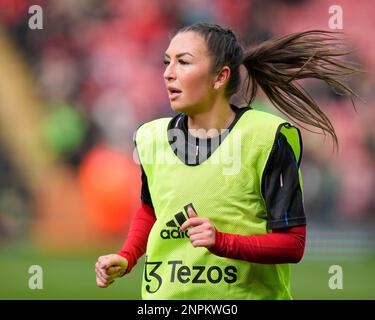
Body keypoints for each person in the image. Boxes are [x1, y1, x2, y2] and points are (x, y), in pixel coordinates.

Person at [94, 23, 358, 299]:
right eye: (166, 62)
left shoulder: (267, 138)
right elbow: (152, 209)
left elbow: (293, 244)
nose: (168, 74)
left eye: (183, 62)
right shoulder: (150, 137)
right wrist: (127, 256)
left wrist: (222, 242)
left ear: (220, 77)